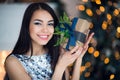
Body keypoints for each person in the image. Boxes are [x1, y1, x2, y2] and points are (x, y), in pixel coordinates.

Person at [4, 2, 94, 80]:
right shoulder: (13, 62)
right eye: (38, 23)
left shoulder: (55, 52)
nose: (45, 30)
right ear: (27, 26)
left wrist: (79, 57)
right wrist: (60, 66)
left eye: (50, 24)